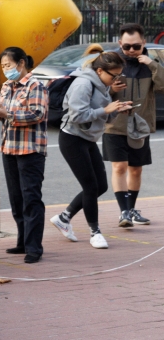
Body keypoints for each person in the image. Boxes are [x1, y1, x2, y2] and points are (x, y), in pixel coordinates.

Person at [50, 51, 132, 249]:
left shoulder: (102, 85)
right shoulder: (83, 84)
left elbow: (102, 117)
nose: (116, 79)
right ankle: (95, 232)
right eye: (114, 75)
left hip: (87, 138)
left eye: (119, 75)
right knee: (90, 187)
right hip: (72, 139)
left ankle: (64, 217)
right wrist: (106, 110)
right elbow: (78, 116)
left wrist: (116, 111)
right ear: (100, 70)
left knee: (101, 186)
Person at [0, 47, 49, 264]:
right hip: (9, 147)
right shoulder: (6, 86)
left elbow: (37, 114)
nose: (5, 70)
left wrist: (7, 113)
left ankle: (34, 247)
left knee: (31, 198)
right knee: (16, 198)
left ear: (21, 64)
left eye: (8, 65)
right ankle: (22, 241)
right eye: (2, 66)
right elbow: (5, 115)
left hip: (30, 149)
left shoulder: (35, 85)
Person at [104, 24, 164, 227]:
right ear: (120, 43)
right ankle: (124, 212)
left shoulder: (149, 64)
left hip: (140, 127)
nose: (131, 50)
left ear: (143, 43)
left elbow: (163, 86)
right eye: (127, 46)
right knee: (119, 167)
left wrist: (152, 64)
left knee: (136, 170)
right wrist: (111, 89)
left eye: (136, 46)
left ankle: (131, 209)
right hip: (115, 125)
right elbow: (97, 92)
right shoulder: (112, 63)